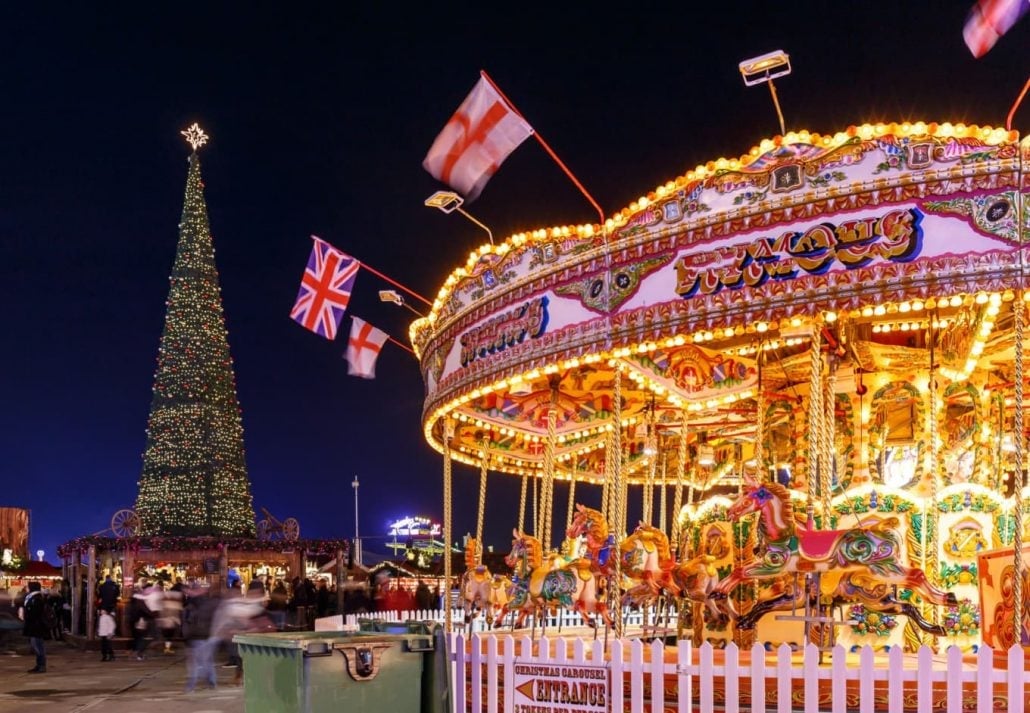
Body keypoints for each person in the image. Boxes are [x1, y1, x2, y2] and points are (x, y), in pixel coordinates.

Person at [182, 583, 219, 691]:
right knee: (206, 661)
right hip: (205, 636)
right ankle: (211, 682)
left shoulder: (194, 605)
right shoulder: (208, 603)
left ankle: (191, 686)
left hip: (198, 636)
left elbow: (189, 622)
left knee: (196, 663)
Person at [21, 581, 47, 673]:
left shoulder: (37, 598)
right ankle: (39, 664)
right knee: (36, 645)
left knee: (38, 645)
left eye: (28, 587)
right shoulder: (32, 597)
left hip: (36, 625)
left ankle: (41, 665)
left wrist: (27, 614)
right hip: (34, 625)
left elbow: (36, 612)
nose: (27, 588)